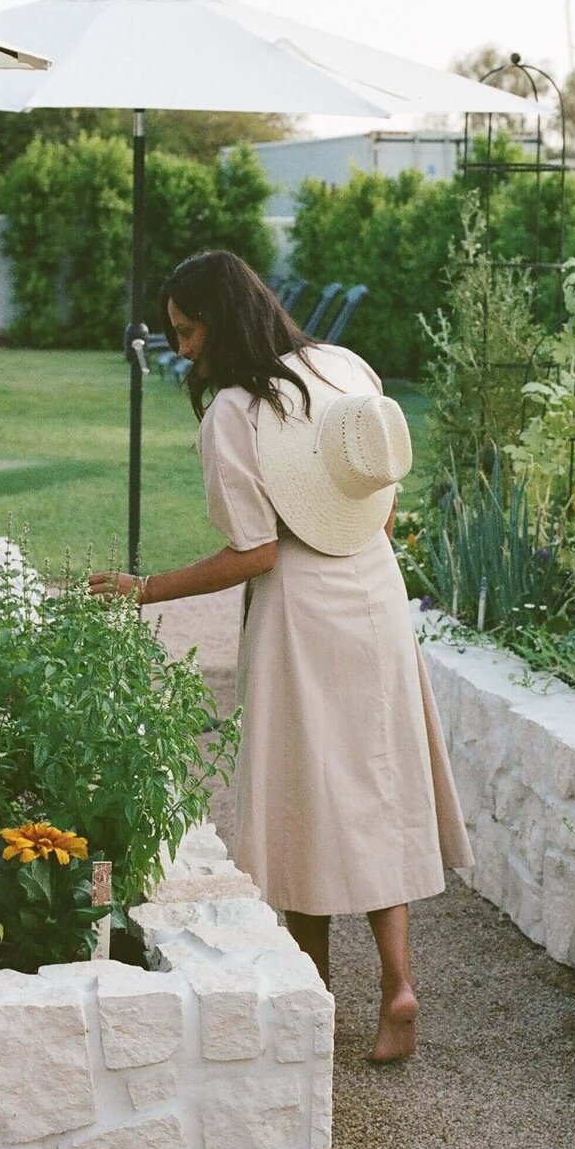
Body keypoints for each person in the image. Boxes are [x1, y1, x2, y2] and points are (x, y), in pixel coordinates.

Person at [89, 251, 472, 1063]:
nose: (182, 349)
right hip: (375, 592)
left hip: (303, 612)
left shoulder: (235, 412)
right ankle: (398, 986)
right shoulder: (344, 368)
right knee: (375, 791)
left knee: (307, 802)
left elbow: (256, 551)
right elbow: (380, 502)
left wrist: (144, 588)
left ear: (219, 322)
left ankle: (317, 995)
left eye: (187, 331)